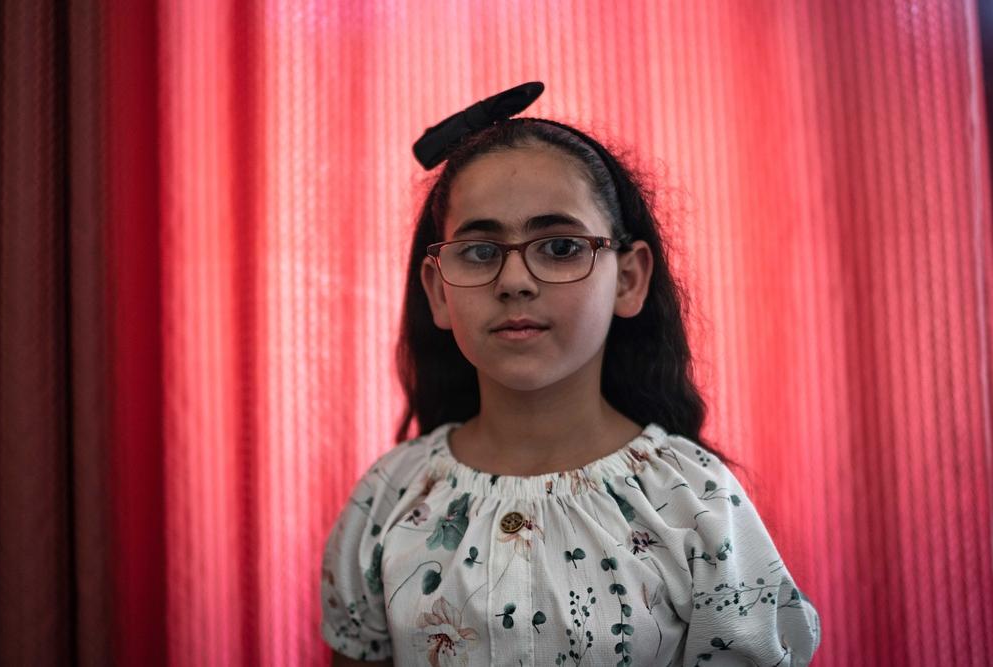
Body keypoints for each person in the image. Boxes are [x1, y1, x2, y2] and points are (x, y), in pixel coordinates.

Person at [320, 82, 821, 666]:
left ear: (628, 279)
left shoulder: (698, 506)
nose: (515, 281)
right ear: (438, 289)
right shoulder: (389, 501)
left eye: (559, 246)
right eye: (480, 251)